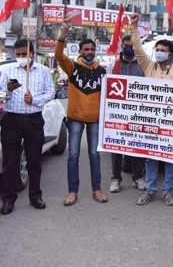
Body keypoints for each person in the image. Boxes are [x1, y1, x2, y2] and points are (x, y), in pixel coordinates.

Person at [129, 14, 173, 207]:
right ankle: (150, 190)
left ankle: (167, 191)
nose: (159, 53)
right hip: (151, 122)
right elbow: (138, 49)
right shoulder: (149, 67)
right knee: (150, 157)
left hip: (170, 123)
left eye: (163, 51)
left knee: (170, 158)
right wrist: (134, 26)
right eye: (157, 50)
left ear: (170, 55)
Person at [55, 16, 108, 206]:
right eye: (86, 49)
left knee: (95, 155)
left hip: (95, 120)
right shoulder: (72, 68)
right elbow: (59, 55)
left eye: (92, 49)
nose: (90, 52)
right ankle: (72, 191)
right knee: (73, 155)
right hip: (75, 119)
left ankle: (97, 189)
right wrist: (64, 32)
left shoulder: (102, 72)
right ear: (80, 51)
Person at [0, 40, 54, 214]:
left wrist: (34, 100)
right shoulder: (6, 71)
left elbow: (50, 93)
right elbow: (0, 94)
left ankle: (35, 195)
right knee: (10, 161)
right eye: (19, 54)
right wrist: (8, 91)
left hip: (33, 119)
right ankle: (8, 199)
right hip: (12, 120)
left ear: (32, 53)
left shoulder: (44, 71)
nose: (21, 58)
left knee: (34, 160)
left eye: (25, 54)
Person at [107, 35, 146, 193]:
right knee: (116, 147)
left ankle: (138, 177)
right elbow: (107, 85)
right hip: (118, 113)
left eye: (131, 45)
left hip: (137, 113)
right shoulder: (114, 65)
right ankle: (116, 178)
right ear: (121, 46)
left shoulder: (142, 66)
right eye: (126, 45)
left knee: (138, 147)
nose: (128, 48)